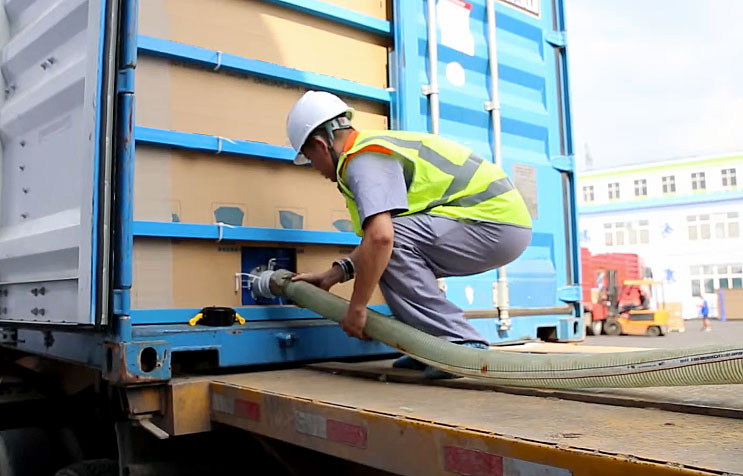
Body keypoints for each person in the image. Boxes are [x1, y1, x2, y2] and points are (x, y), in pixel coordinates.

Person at [286, 91, 532, 378]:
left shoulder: (364, 160)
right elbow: (377, 241)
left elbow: (382, 239)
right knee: (382, 247)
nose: (315, 169)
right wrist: (334, 275)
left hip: (495, 224)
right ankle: (426, 346)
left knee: (386, 243)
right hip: (493, 223)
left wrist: (357, 307)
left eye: (310, 158)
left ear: (320, 145)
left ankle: (458, 343)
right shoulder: (368, 152)